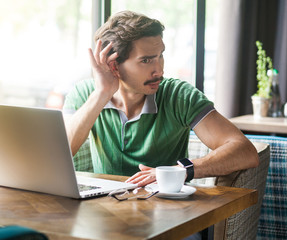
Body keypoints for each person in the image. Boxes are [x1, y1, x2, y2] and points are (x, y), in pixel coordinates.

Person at [63, 10, 259, 187]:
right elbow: (59, 155)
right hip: (104, 210)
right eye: (146, 60)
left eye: (160, 56)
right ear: (114, 65)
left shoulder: (179, 95)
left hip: (166, 212)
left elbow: (244, 151)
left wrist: (180, 170)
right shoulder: (85, 95)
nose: (159, 69)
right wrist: (101, 94)